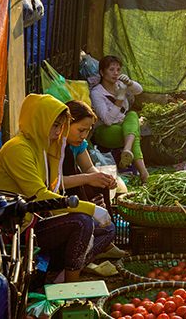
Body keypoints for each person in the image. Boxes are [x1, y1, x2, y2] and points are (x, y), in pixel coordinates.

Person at [0, 94, 115, 282]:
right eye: (54, 126)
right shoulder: (18, 149)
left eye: (60, 126)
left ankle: (61, 275)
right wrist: (91, 208)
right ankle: (69, 287)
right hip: (17, 231)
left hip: (35, 222)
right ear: (38, 122)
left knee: (108, 230)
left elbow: (53, 187)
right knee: (82, 222)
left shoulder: (41, 147)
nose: (58, 132)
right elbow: (41, 198)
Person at [61, 100, 128, 260]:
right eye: (80, 130)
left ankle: (105, 244)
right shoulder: (56, 145)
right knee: (106, 230)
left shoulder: (78, 144)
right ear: (66, 124)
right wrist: (88, 178)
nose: (84, 136)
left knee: (101, 184)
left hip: (73, 188)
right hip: (61, 195)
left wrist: (101, 178)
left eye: (87, 131)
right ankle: (89, 253)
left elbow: (89, 168)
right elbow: (54, 182)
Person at [90, 56, 150, 182]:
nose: (116, 73)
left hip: (123, 125)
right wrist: (120, 98)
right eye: (111, 70)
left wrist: (129, 83)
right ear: (102, 72)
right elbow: (107, 120)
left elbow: (139, 90)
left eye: (118, 69)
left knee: (133, 115)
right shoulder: (97, 93)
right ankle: (143, 172)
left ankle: (127, 151)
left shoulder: (120, 84)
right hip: (105, 131)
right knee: (134, 134)